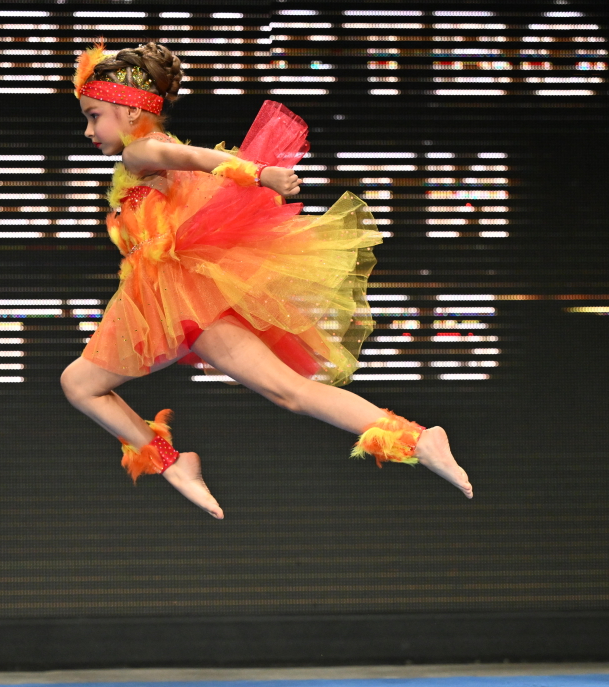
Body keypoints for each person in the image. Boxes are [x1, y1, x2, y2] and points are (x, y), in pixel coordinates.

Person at [60, 41, 473, 519]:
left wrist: (260, 174)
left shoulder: (141, 152)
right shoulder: (146, 157)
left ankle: (173, 464)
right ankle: (418, 440)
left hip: (178, 302)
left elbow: (196, 158)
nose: (88, 130)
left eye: (94, 116)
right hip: (178, 301)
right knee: (288, 392)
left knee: (80, 384)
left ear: (131, 111)